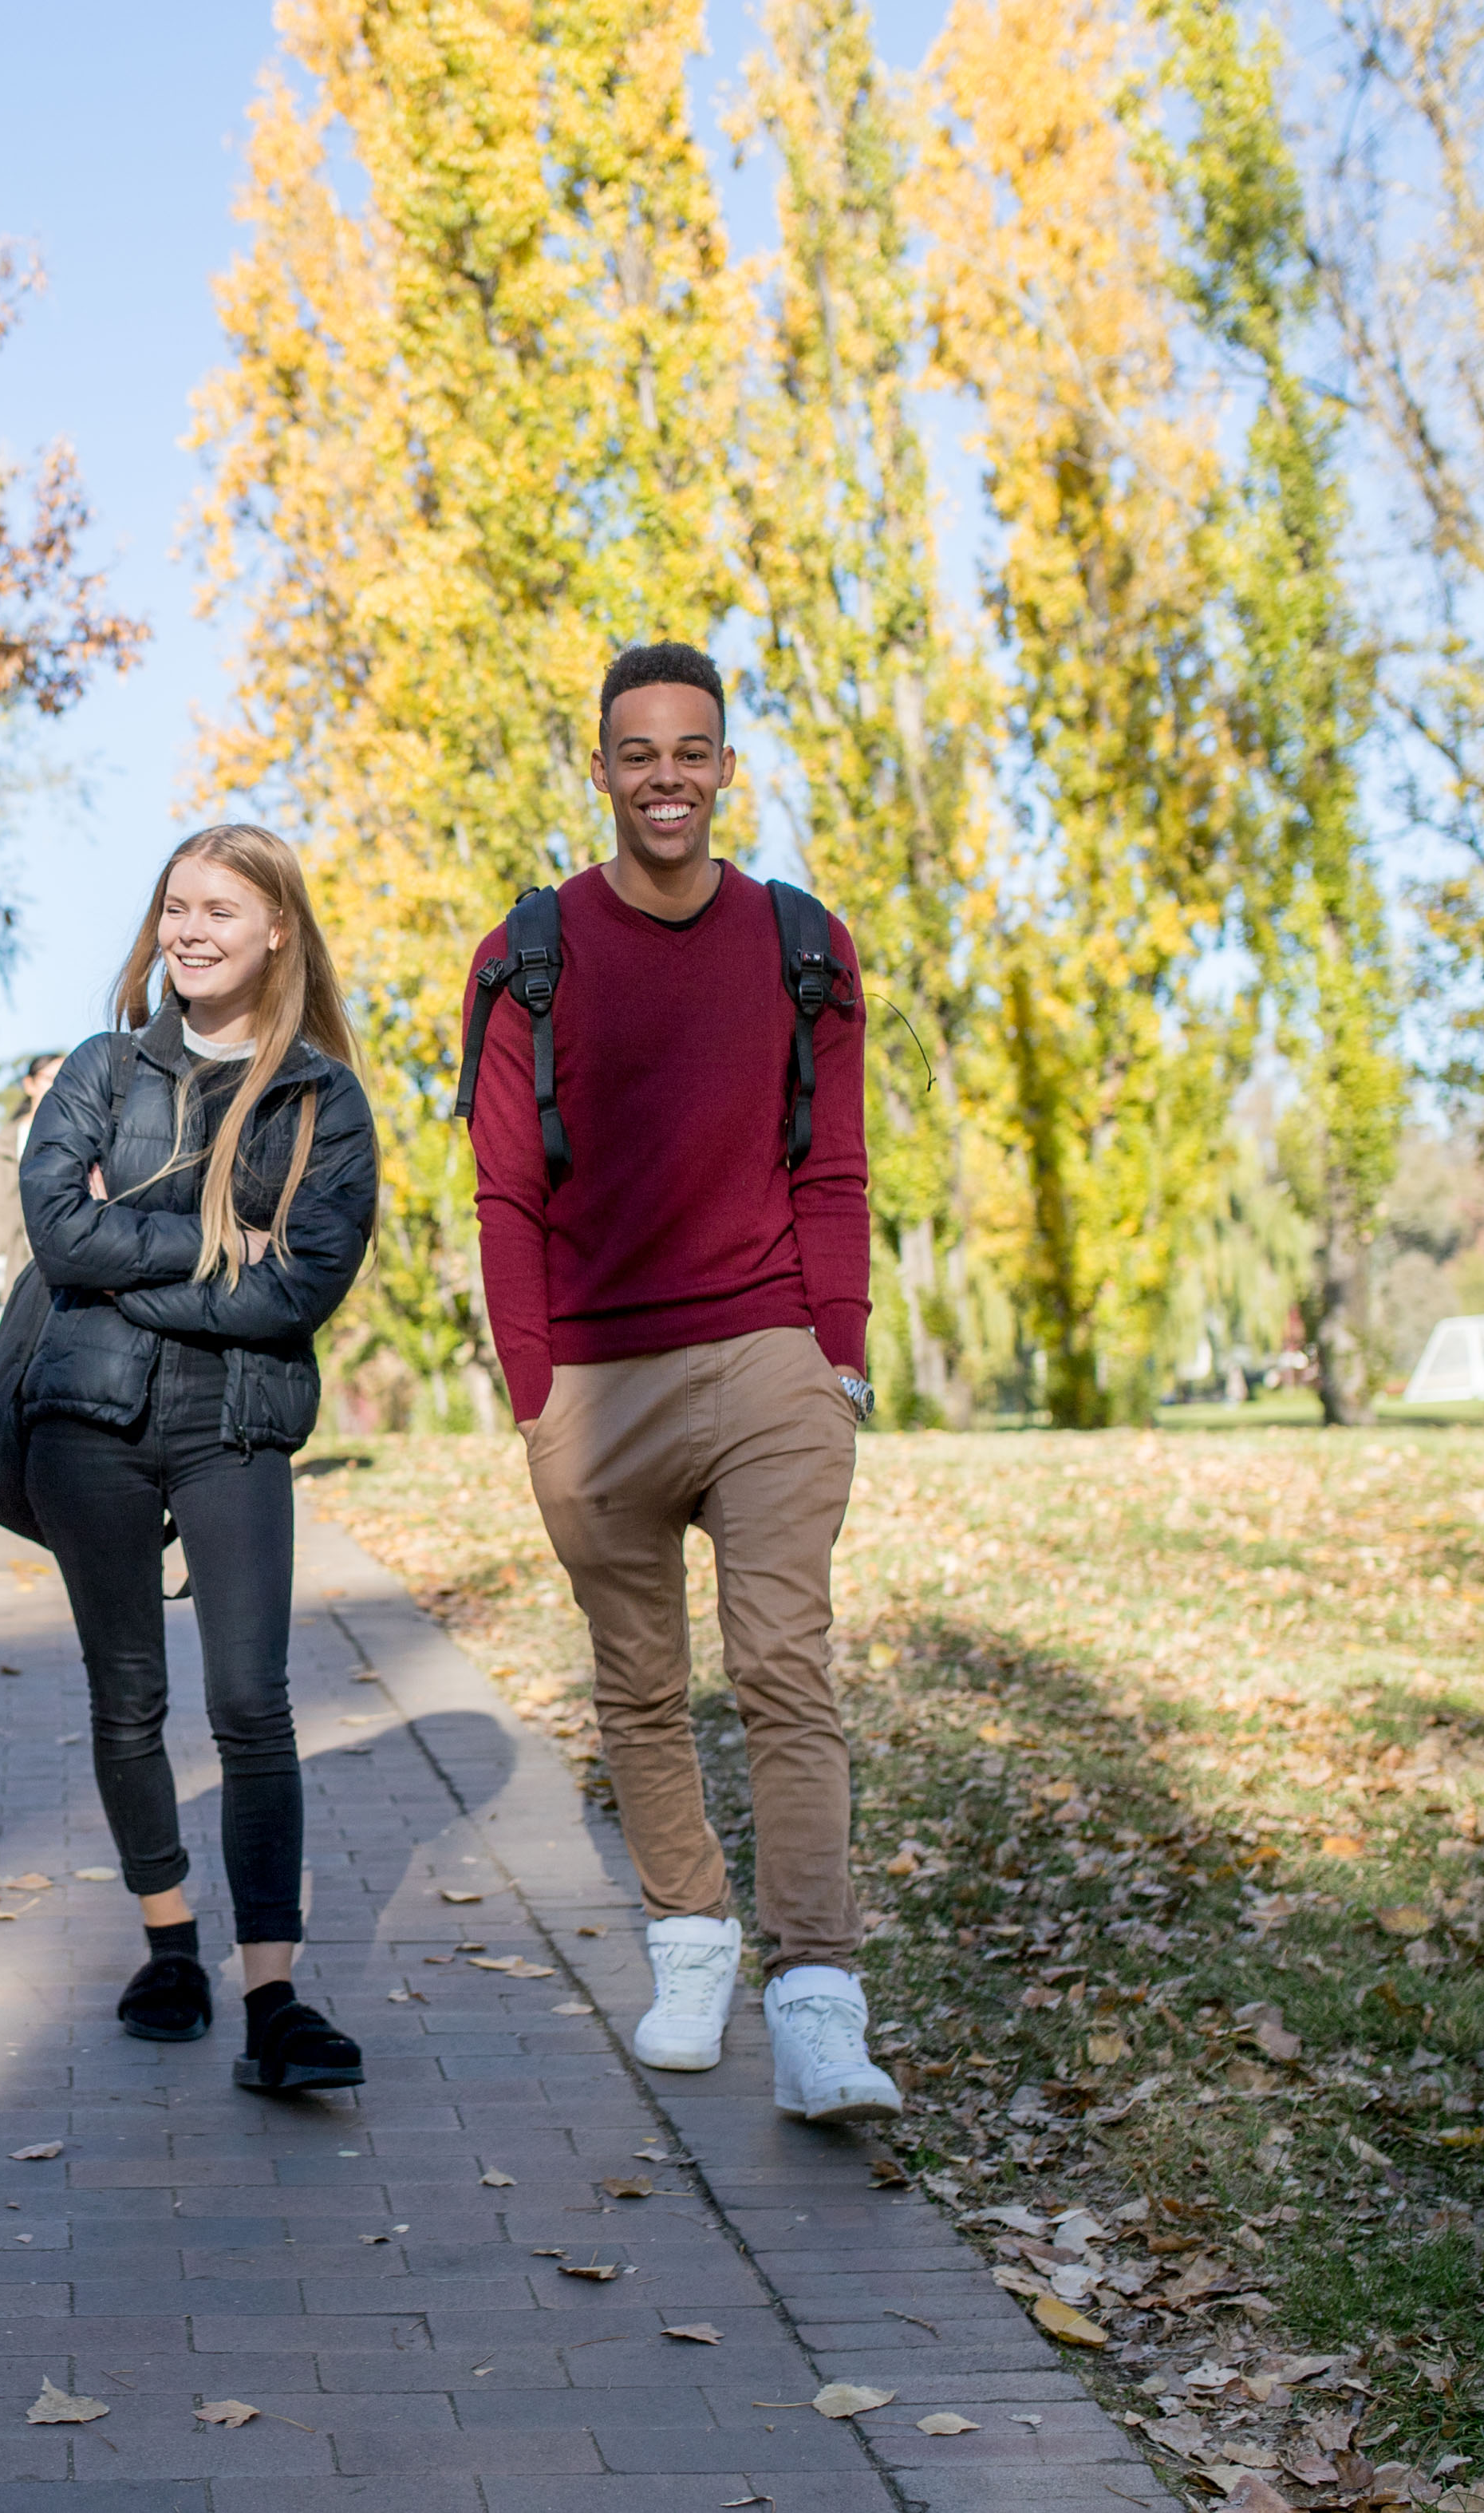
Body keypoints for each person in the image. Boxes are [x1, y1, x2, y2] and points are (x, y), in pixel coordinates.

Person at [465, 638, 897, 2124]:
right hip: (594, 1375)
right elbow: (503, 1194)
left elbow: (831, 1163)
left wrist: (834, 1355)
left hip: (770, 1351)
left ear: (726, 769)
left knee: (784, 1667)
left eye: (690, 750)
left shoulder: (802, 940)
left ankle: (816, 2002)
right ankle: (690, 1943)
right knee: (639, 1684)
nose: (665, 775)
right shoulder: (526, 948)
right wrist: (533, 1394)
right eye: (636, 751)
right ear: (600, 768)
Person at [16, 824, 379, 2094]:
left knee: (249, 1701)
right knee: (128, 1698)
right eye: (176, 905)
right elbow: (61, 1235)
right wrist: (224, 1245)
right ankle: (169, 1945)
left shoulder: (322, 1099)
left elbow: (302, 1287)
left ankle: (272, 1997)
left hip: (237, 1423)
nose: (191, 929)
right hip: (89, 1425)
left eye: (221, 908)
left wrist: (143, 1252)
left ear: (277, 927)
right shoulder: (103, 1068)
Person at [0, 1051, 64, 1298]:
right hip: (21, 1249)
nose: (57, 1084)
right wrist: (2, 1248)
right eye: (50, 1078)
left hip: (67, 1246)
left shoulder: (85, 1128)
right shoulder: (10, 1137)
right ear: (29, 1084)